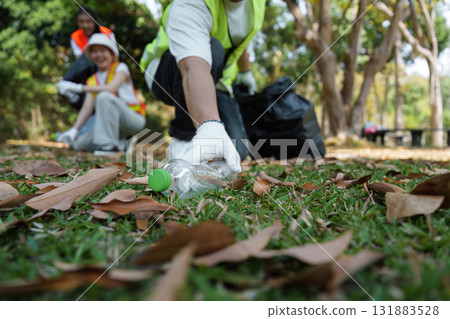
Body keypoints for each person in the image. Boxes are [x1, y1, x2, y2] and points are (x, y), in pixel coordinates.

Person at [140, 0, 266, 173]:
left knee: (237, 150)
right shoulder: (190, 3)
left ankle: (202, 144)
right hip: (167, 71)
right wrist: (210, 126)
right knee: (213, 49)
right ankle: (183, 141)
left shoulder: (257, 4)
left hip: (219, 82)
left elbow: (242, 40)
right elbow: (193, 66)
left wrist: (245, 72)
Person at [56, 33, 146, 155]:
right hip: (111, 126)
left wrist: (79, 88)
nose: (98, 55)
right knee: (79, 144)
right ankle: (120, 143)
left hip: (132, 120)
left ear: (111, 53)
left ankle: (108, 147)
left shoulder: (120, 68)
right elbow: (87, 108)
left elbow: (110, 88)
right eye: (94, 52)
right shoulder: (92, 80)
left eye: (102, 50)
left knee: (104, 97)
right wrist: (74, 130)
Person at [59, 7, 116, 110]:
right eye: (81, 22)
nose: (85, 25)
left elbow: (114, 57)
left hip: (105, 69)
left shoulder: (106, 32)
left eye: (88, 22)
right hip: (88, 71)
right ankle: (69, 86)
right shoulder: (76, 37)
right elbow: (79, 62)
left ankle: (67, 83)